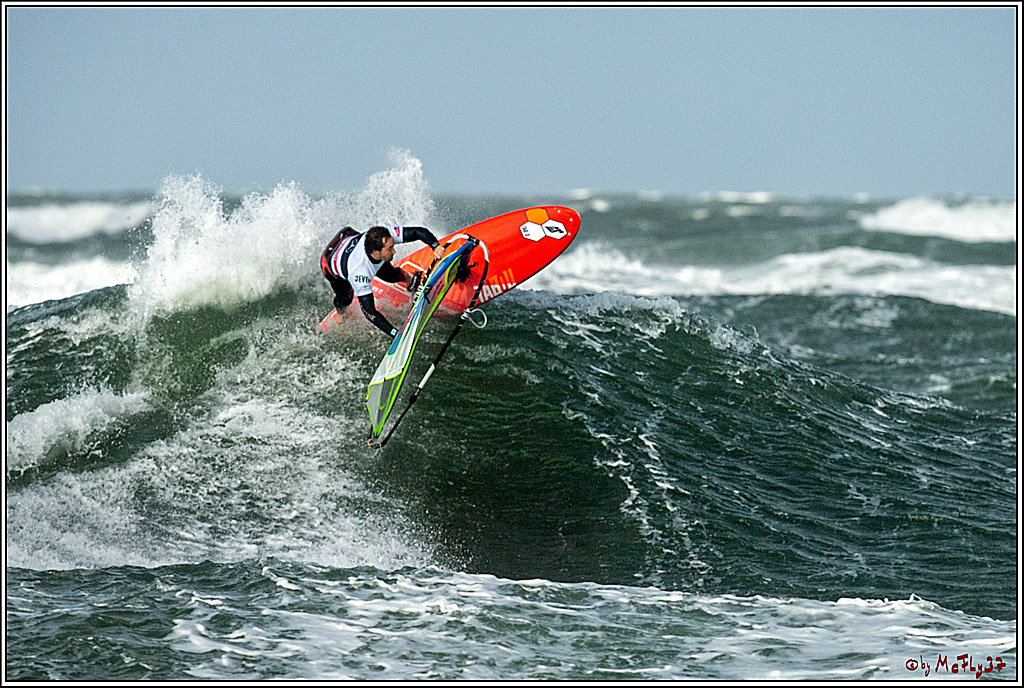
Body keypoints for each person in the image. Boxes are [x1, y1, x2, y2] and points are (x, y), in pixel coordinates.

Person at [320, 225, 446, 337]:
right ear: (375, 252)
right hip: (330, 262)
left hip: (347, 236)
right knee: (346, 297)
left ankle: (409, 278)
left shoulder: (382, 236)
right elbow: (370, 312)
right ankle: (341, 313)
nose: (394, 251)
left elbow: (417, 232)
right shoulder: (359, 273)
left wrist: (435, 246)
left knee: (389, 274)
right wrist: (395, 333)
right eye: (390, 248)